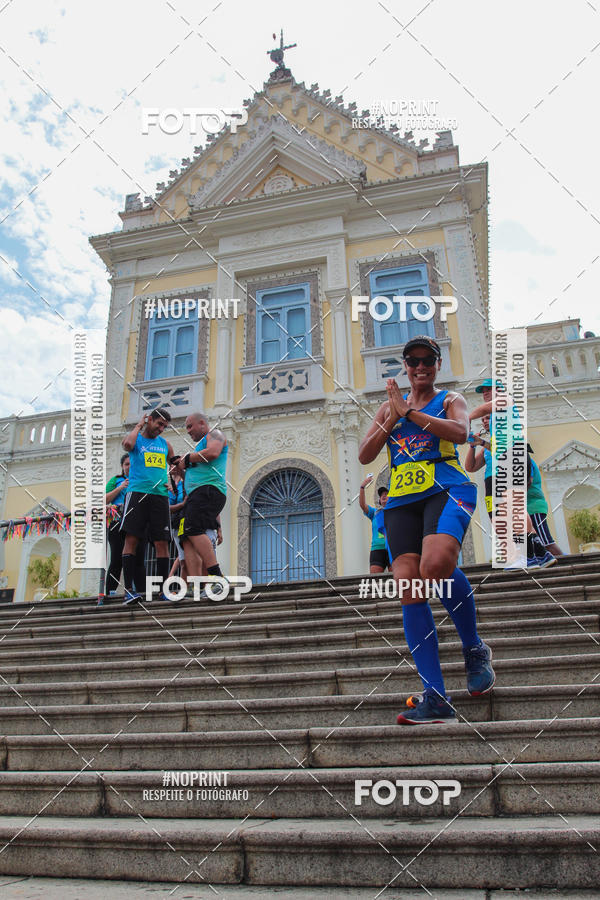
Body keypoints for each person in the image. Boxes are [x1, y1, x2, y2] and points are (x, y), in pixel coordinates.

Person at [358, 335, 495, 725]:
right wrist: (393, 416)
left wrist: (412, 415)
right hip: (401, 496)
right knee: (408, 584)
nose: (421, 366)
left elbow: (461, 432)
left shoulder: (451, 399)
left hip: (446, 485)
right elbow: (366, 453)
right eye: (413, 360)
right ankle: (435, 695)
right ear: (404, 365)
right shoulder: (389, 406)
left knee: (434, 565)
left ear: (436, 363)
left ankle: (473, 648)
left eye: (428, 360)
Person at [470, 380, 555, 569]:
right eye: (482, 391)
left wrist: (467, 417)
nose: (485, 393)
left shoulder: (505, 401)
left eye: (488, 390)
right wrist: (480, 443)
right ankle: (541, 554)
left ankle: (530, 555)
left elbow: (485, 408)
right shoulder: (495, 418)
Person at [120, 407, 175, 605]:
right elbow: (127, 445)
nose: (161, 429)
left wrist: (173, 482)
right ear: (149, 420)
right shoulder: (137, 440)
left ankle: (163, 590)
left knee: (162, 542)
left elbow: (173, 464)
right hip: (137, 493)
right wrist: (138, 426)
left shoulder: (165, 444)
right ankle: (129, 590)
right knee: (132, 539)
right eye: (159, 424)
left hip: (160, 496)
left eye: (164, 426)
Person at [177, 413, 228, 585]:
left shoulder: (215, 434)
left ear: (202, 423)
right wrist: (180, 470)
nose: (188, 431)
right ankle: (195, 583)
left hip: (208, 490)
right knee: (186, 536)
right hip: (197, 495)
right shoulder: (199, 448)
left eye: (190, 426)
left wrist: (187, 458)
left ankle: (216, 576)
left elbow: (213, 452)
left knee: (192, 529)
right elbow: (195, 474)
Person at [103, 454, 146, 600]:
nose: (129, 466)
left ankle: (141, 591)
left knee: (139, 559)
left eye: (132, 464)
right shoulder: (116, 480)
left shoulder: (143, 480)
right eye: (127, 464)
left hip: (138, 522)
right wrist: (120, 487)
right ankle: (110, 593)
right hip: (117, 522)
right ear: (122, 466)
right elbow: (103, 500)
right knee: (117, 559)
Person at [528, 449, 563, 557]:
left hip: (534, 507)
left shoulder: (526, 460)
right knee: (537, 544)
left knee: (547, 543)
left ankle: (567, 565)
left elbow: (528, 481)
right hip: (529, 507)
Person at [359, 477, 390, 573]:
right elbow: (362, 505)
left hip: (392, 548)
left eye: (386, 494)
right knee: (375, 580)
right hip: (377, 549)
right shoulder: (375, 513)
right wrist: (362, 487)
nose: (384, 496)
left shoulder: (396, 512)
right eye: (382, 495)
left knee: (395, 580)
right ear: (380, 500)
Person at [167, 457, 188, 583]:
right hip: (178, 522)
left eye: (176, 464)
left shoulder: (185, 481)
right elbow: (168, 507)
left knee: (184, 555)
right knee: (183, 557)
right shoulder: (169, 485)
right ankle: (183, 586)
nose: (173, 467)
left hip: (188, 519)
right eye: (171, 465)